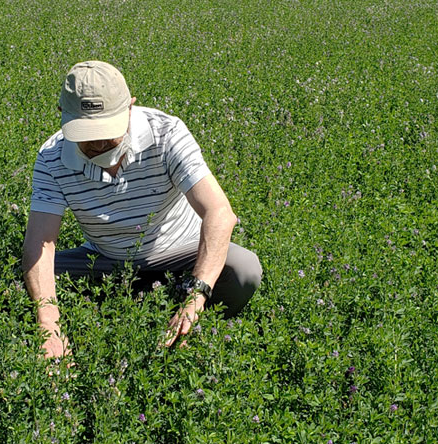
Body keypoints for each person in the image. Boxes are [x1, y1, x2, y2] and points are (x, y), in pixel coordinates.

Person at [22, 61, 262, 359]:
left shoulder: (167, 132)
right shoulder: (51, 158)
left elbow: (219, 213)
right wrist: (50, 327)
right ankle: (140, 303)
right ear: (63, 116)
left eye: (107, 130)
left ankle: (186, 323)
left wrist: (196, 294)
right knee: (22, 278)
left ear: (130, 107)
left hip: (180, 254)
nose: (97, 143)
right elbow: (41, 244)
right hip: (107, 260)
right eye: (85, 132)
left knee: (243, 270)